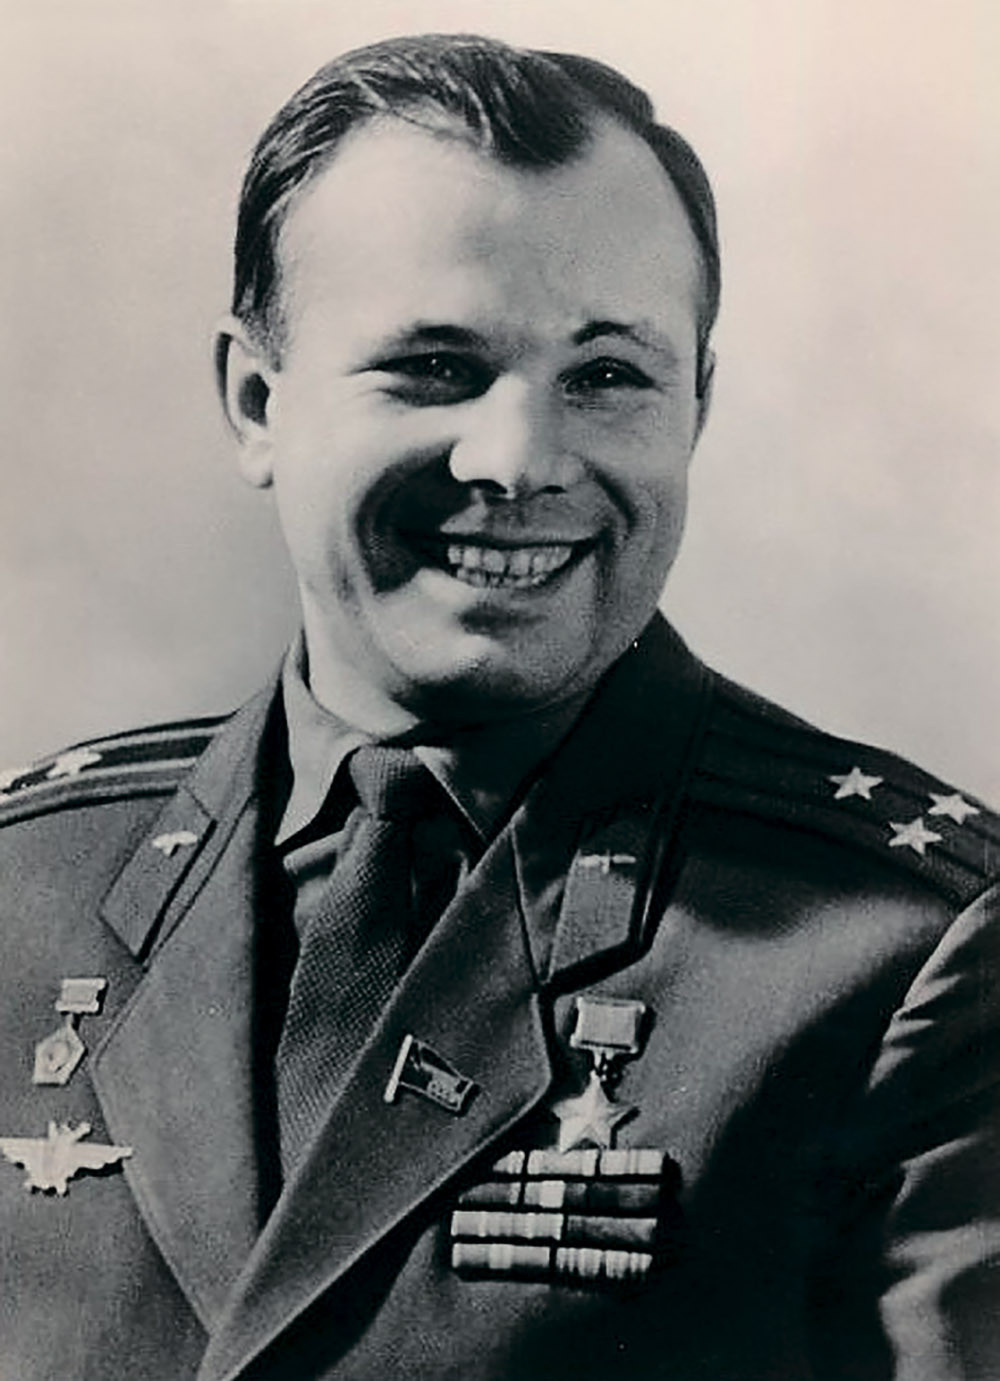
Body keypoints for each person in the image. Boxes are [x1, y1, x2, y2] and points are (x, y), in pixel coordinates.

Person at [0, 33, 997, 1381]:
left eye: (607, 376)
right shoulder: (28, 885)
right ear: (255, 402)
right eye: (435, 367)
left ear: (694, 408)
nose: (520, 460)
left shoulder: (906, 947)